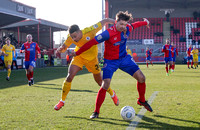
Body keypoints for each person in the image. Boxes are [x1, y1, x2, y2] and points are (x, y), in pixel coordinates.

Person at [73, 11, 153, 119]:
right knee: (105, 85)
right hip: (110, 61)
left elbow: (135, 25)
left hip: (124, 58)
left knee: (142, 78)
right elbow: (91, 42)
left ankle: (141, 101)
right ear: (115, 22)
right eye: (121, 24)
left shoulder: (127, 28)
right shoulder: (107, 33)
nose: (123, 27)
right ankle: (96, 112)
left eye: (125, 24)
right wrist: (77, 52)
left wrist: (145, 22)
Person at [54, 18, 119, 111]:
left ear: (80, 32)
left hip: (93, 60)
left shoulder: (90, 31)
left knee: (100, 82)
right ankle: (62, 101)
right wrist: (61, 49)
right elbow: (64, 47)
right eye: (72, 37)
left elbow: (105, 21)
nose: (74, 39)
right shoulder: (70, 38)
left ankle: (112, 94)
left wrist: (116, 23)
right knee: (69, 76)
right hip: (79, 57)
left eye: (75, 36)